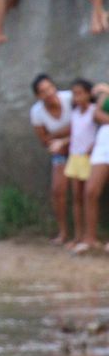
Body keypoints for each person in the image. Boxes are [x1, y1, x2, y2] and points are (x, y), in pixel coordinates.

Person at [29, 73, 72, 244]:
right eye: (43, 91)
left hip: (83, 148)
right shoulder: (37, 112)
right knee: (57, 191)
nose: (49, 92)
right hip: (60, 153)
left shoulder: (69, 98)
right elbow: (44, 141)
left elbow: (83, 123)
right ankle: (63, 232)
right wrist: (66, 135)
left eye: (50, 88)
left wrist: (57, 135)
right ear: (38, 96)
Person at [65, 79, 97, 252]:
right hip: (74, 157)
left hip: (88, 158)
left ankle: (88, 236)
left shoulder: (94, 111)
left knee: (87, 196)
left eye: (80, 93)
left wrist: (91, 148)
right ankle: (78, 236)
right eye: (74, 94)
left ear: (89, 94)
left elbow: (99, 131)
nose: (77, 98)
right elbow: (73, 134)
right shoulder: (75, 113)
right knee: (76, 198)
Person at [80, 81, 109, 252]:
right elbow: (96, 115)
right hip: (104, 142)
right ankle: (90, 239)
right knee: (91, 191)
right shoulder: (106, 90)